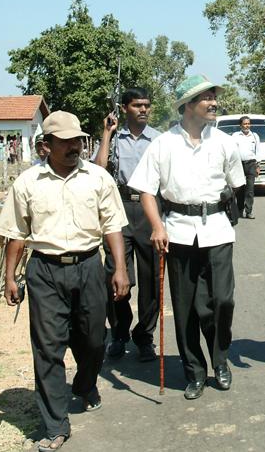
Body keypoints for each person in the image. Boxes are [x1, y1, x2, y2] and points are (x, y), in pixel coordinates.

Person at [0, 111, 130, 451]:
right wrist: (10, 278)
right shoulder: (27, 183)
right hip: (45, 271)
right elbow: (15, 233)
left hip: (88, 267)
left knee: (95, 339)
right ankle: (55, 424)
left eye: (79, 140)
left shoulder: (98, 178)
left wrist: (119, 268)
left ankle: (85, 384)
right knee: (48, 348)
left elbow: (113, 224)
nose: (75, 147)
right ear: (45, 146)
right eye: (66, 141)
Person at [128, 74, 245, 401]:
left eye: (213, 96)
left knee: (222, 300)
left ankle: (220, 360)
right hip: (177, 230)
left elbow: (236, 184)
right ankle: (194, 371)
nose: (214, 102)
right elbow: (147, 192)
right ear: (188, 105)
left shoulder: (224, 142)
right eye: (206, 97)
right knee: (185, 307)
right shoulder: (163, 144)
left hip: (218, 229)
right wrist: (157, 226)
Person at [93, 88, 162, 362]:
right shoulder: (114, 139)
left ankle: (144, 335)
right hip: (119, 209)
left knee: (152, 279)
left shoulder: (159, 140)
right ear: (124, 109)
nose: (143, 110)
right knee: (116, 275)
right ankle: (119, 333)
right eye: (137, 105)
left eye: (146, 105)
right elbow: (98, 170)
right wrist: (107, 133)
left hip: (150, 211)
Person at [232, 115, 260, 219]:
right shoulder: (235, 136)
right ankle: (239, 210)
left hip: (251, 164)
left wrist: (258, 165)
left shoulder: (255, 136)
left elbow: (258, 151)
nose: (246, 126)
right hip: (238, 164)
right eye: (244, 124)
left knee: (250, 189)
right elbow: (232, 150)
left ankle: (249, 211)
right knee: (239, 188)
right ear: (241, 125)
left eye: (248, 123)